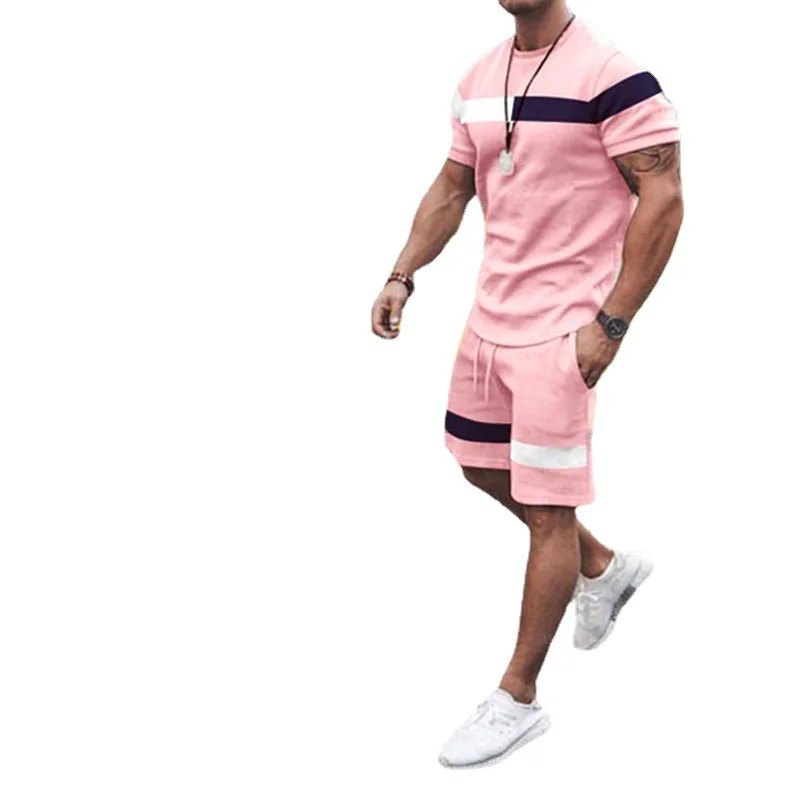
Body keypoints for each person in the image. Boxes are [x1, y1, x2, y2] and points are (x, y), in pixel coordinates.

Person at [370, 0, 683, 770]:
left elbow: (665, 197)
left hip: (562, 332)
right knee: (479, 464)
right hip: (489, 322)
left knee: (548, 510)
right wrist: (403, 274)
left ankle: (518, 697)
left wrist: (610, 324)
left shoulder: (614, 76)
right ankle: (602, 567)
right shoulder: (480, 77)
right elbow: (452, 187)